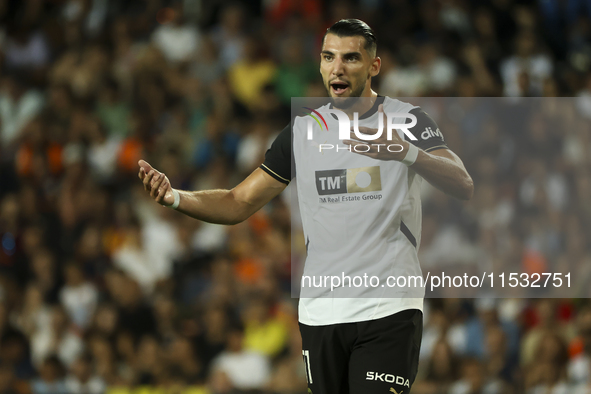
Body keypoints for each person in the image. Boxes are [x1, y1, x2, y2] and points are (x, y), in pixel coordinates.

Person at [138, 19, 473, 394]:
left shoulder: (407, 120)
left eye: (351, 58)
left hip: (388, 308)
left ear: (373, 66)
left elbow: (462, 182)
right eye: (329, 57)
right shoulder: (302, 133)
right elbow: (237, 202)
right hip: (322, 312)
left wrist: (407, 152)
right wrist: (176, 197)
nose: (338, 68)